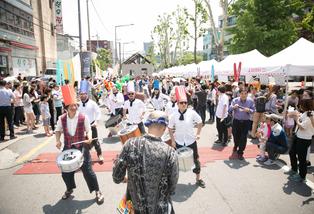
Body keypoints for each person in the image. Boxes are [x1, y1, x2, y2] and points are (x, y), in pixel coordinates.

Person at [113, 111, 179, 214]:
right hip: (160, 209)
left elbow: (117, 177)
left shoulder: (130, 144)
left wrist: (127, 177)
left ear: (147, 125)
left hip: (135, 208)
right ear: (164, 128)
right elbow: (172, 188)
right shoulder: (170, 153)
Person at [55, 85, 104, 204]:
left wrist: (90, 138)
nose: (74, 107)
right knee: (65, 171)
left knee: (88, 171)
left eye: (75, 105)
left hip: (82, 147)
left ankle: (97, 191)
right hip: (67, 147)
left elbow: (89, 130)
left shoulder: (83, 117)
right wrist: (58, 140)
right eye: (71, 105)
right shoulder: (61, 118)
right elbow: (58, 130)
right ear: (66, 107)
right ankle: (69, 188)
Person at [168, 86, 205, 188]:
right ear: (177, 104)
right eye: (181, 103)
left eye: (185, 102)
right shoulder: (173, 115)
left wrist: (198, 133)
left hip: (191, 141)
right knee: (175, 162)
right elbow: (170, 128)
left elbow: (200, 122)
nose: (184, 104)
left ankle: (198, 178)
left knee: (196, 160)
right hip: (179, 142)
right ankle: (173, 182)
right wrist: (173, 140)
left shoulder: (192, 113)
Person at [288, 99, 314, 182]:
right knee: (291, 152)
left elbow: (302, 127)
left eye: (301, 105)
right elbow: (300, 119)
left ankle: (302, 176)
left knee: (301, 158)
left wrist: (296, 119)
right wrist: (297, 116)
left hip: (304, 139)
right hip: (298, 136)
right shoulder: (306, 113)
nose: (300, 106)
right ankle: (294, 169)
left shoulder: (311, 115)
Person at [78, 80, 104, 162]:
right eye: (81, 94)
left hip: (92, 124)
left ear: (87, 94)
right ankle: (83, 157)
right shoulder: (77, 104)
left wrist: (96, 121)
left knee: (95, 141)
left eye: (84, 94)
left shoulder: (93, 103)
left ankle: (100, 155)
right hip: (81, 126)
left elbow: (98, 113)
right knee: (81, 142)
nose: (82, 96)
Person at [229, 88, 255, 160]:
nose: (243, 95)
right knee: (235, 136)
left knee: (243, 138)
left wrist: (249, 110)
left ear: (247, 94)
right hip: (236, 122)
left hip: (246, 122)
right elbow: (229, 109)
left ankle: (240, 152)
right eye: (242, 93)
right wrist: (234, 107)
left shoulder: (250, 101)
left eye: (245, 93)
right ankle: (236, 145)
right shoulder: (235, 100)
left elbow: (253, 111)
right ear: (239, 94)